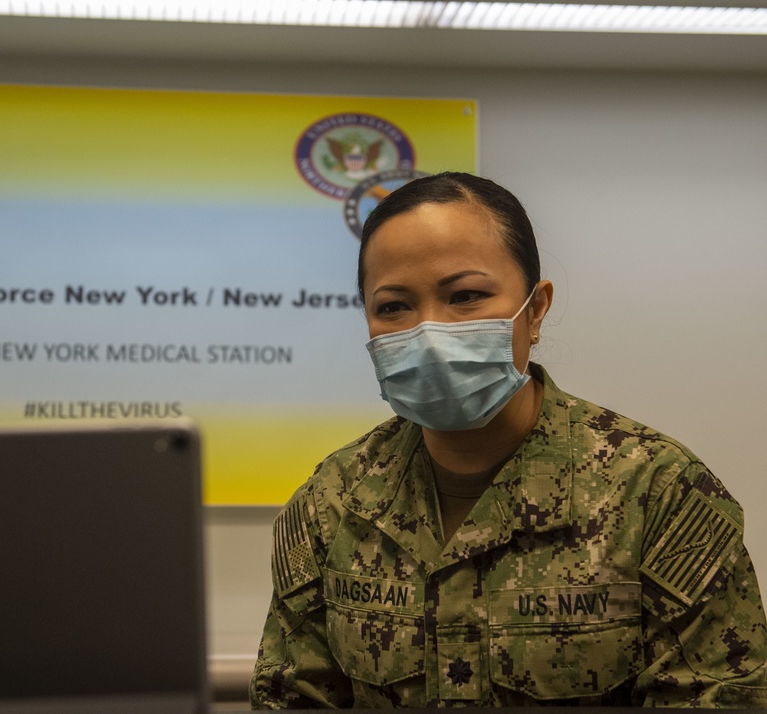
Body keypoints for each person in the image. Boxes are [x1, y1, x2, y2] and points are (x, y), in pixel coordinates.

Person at [249, 172, 767, 708]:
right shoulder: (333, 503)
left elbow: (721, 696)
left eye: (466, 296)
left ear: (536, 308)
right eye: (394, 307)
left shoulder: (657, 492)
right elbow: (292, 698)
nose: (429, 332)